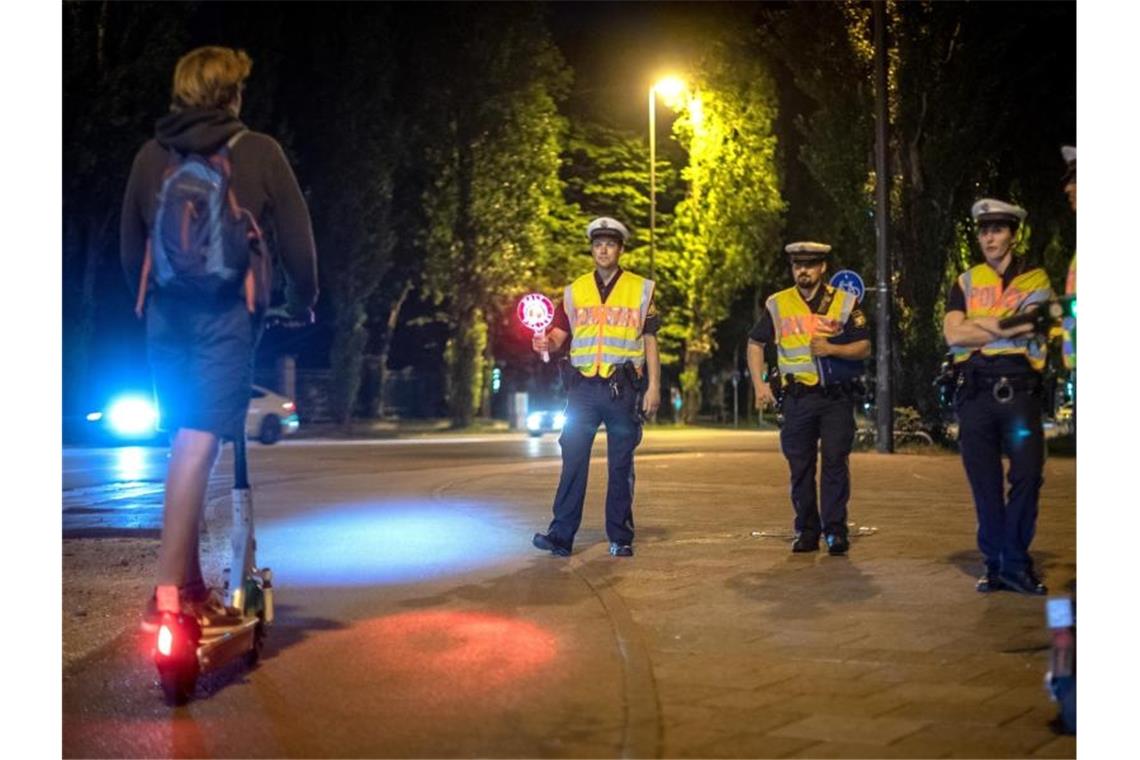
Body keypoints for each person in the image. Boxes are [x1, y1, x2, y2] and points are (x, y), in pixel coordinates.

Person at [120, 46, 318, 629]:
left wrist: (153, 303)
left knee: (184, 441)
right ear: (229, 95)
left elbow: (132, 247)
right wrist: (300, 303)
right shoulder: (258, 151)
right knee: (200, 441)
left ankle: (187, 583)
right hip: (224, 318)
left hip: (165, 318)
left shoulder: (148, 157)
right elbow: (299, 243)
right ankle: (167, 599)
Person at [531, 217, 661, 557]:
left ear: (620, 249)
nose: (603, 249)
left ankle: (620, 537)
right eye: (597, 244)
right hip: (583, 390)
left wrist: (654, 387)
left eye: (610, 244)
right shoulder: (575, 291)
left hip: (623, 389)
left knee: (620, 464)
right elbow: (559, 337)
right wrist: (544, 343)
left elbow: (650, 340)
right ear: (591, 249)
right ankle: (561, 536)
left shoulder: (641, 288)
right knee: (572, 459)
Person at [942, 198, 1052, 595]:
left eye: (998, 229)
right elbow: (954, 334)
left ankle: (1015, 563)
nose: (990, 237)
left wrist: (980, 326)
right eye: (984, 230)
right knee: (984, 483)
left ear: (1013, 234)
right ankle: (996, 565)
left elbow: (1032, 326)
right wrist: (1008, 324)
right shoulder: (966, 281)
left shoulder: (1036, 280)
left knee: (1027, 477)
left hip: (1020, 392)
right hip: (975, 394)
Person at [746, 242, 870, 555]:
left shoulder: (844, 301)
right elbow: (755, 343)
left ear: (822, 267)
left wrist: (834, 349)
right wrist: (760, 386)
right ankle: (806, 530)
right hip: (796, 399)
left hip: (835, 398)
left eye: (810, 264)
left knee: (834, 463)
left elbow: (864, 347)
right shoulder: (778, 303)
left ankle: (835, 531)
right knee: (800, 467)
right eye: (798, 265)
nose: (803, 270)